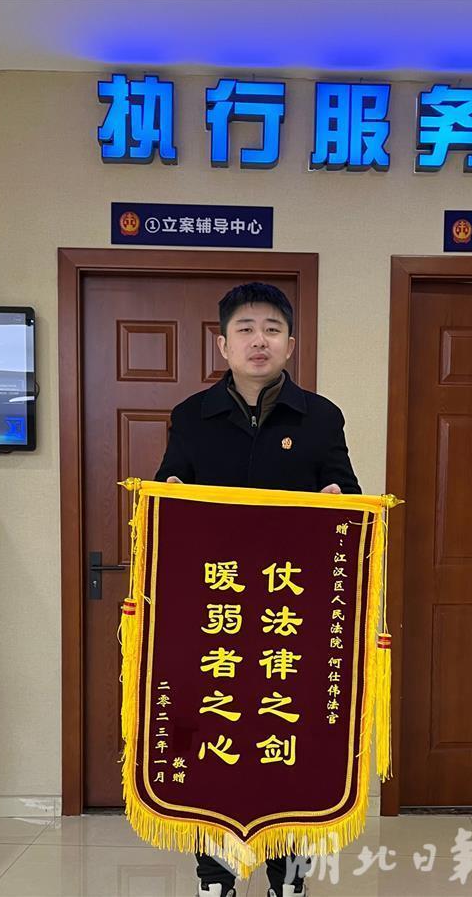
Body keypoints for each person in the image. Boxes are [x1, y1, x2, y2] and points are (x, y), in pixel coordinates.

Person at [155, 282, 361, 897]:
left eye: (272, 329)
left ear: (291, 344)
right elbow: (170, 490)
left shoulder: (320, 417)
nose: (259, 340)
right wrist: (168, 491)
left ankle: (288, 878)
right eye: (245, 329)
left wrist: (337, 499)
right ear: (223, 344)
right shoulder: (191, 416)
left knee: (289, 742)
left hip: (289, 614)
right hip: (214, 614)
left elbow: (348, 496)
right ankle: (214, 877)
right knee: (213, 742)